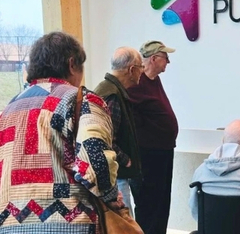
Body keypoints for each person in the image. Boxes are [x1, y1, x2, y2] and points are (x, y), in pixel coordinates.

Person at [0, 31, 122, 233]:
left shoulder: (8, 109)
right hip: (69, 224)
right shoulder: (81, 101)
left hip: (9, 224)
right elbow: (97, 164)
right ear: (72, 64)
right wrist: (112, 198)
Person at [127, 40, 178, 234]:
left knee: (162, 200)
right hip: (148, 153)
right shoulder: (136, 82)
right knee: (149, 202)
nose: (168, 62)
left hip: (163, 150)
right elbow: (131, 117)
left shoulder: (154, 80)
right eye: (166, 57)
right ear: (154, 58)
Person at [94, 47, 144, 217]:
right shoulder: (112, 95)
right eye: (141, 67)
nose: (142, 72)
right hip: (116, 175)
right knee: (124, 222)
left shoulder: (109, 89)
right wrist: (126, 160)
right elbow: (106, 139)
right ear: (132, 70)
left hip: (116, 173)